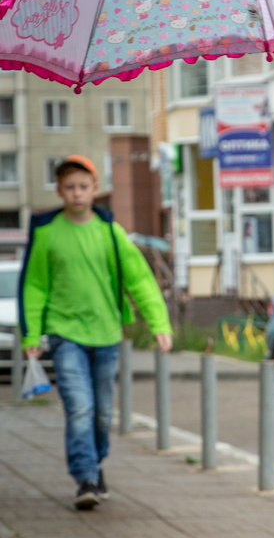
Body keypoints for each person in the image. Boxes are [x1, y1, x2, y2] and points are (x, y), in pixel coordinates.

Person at [19, 155, 172, 511]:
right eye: (69, 187)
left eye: (83, 187)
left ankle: (95, 464)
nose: (76, 193)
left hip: (106, 335)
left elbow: (139, 280)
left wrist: (159, 323)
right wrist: (32, 336)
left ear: (94, 189)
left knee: (103, 412)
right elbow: (35, 287)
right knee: (81, 408)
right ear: (59, 191)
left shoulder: (110, 232)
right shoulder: (47, 234)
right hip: (64, 334)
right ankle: (85, 476)